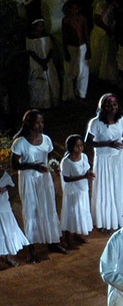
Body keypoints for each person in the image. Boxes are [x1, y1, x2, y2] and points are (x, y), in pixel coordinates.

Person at [11, 109, 69, 263]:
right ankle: (31, 250)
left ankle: (53, 242)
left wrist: (54, 165)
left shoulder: (47, 140)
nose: (40, 125)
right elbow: (15, 164)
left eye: (42, 122)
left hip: (44, 179)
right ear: (29, 124)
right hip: (29, 181)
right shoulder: (20, 143)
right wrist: (33, 167)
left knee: (48, 208)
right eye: (37, 122)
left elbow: (49, 158)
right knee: (31, 211)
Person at [86, 93, 123, 233]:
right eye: (109, 105)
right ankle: (106, 222)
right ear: (102, 107)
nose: (112, 108)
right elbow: (89, 141)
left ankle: (122, 220)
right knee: (106, 190)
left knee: (120, 187)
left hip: (119, 159)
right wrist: (109, 143)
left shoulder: (120, 120)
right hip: (104, 161)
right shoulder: (95, 123)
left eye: (114, 105)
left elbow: (120, 136)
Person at [60, 134, 94, 248]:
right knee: (72, 214)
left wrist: (89, 173)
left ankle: (77, 235)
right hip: (72, 192)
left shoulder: (84, 156)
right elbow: (66, 178)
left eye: (81, 145)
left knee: (81, 212)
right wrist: (83, 177)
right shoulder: (66, 162)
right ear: (70, 147)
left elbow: (87, 168)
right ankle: (68, 239)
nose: (79, 148)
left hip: (83, 190)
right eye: (76, 146)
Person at [26, 18, 61, 109]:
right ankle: (40, 104)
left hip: (47, 62)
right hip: (36, 63)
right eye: (38, 25)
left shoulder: (46, 36)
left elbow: (50, 49)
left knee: (50, 81)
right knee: (39, 83)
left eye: (42, 25)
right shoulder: (30, 37)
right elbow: (31, 51)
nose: (40, 28)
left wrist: (46, 60)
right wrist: (41, 62)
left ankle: (52, 102)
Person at [0, 163, 30, 268]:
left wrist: (5, 189)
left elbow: (12, 186)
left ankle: (9, 257)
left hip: (5, 208)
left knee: (8, 232)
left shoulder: (5, 176)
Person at [89, 0, 119, 83]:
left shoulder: (109, 3)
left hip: (106, 33)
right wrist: (107, 29)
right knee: (99, 57)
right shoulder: (100, 3)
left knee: (106, 57)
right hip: (100, 34)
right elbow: (97, 19)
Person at [61, 0, 91, 101]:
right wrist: (65, 51)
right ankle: (69, 95)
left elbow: (86, 34)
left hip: (82, 47)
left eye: (76, 8)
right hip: (71, 47)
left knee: (83, 71)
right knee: (70, 71)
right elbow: (64, 36)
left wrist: (88, 49)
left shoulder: (82, 19)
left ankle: (81, 93)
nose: (74, 11)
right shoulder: (66, 20)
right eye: (72, 9)